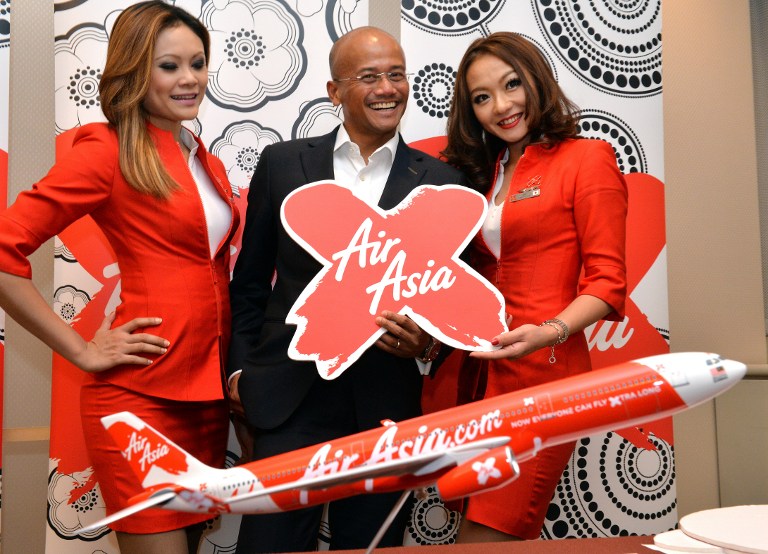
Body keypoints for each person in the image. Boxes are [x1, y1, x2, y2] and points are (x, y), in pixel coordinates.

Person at [0, 2, 239, 553]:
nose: (189, 79)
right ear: (134, 71)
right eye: (169, 66)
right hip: (139, 399)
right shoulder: (106, 150)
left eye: (197, 63)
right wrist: (81, 350)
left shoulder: (203, 157)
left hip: (208, 403)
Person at [227, 26, 467, 552]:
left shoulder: (442, 184)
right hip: (287, 398)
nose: (388, 88)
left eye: (397, 74)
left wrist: (426, 345)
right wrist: (240, 372)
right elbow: (249, 282)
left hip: (384, 406)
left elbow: (451, 300)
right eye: (370, 76)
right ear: (335, 91)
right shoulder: (283, 164)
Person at [442, 32, 628, 542]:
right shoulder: (482, 174)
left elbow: (608, 281)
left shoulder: (587, 158)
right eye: (482, 97)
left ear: (536, 80)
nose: (501, 106)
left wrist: (548, 331)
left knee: (489, 533)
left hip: (543, 377)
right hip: (474, 378)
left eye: (511, 85)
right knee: (466, 528)